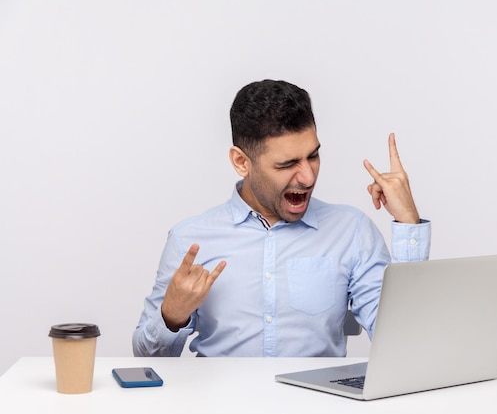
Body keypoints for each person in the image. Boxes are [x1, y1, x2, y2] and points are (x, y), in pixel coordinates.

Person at [132, 79, 431, 357]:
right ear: (241, 162)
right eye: (287, 164)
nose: (308, 175)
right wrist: (171, 315)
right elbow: (147, 359)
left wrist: (408, 222)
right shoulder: (190, 239)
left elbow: (405, 344)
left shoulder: (351, 231)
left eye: (312, 156)